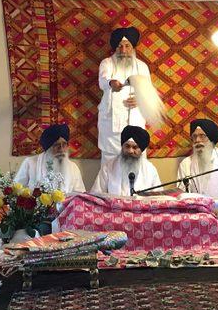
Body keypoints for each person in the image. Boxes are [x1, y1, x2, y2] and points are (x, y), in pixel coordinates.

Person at [97, 27, 152, 165]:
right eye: (120, 46)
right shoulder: (107, 63)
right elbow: (102, 81)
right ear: (115, 48)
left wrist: (140, 100)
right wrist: (111, 83)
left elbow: (148, 91)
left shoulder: (142, 66)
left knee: (136, 159)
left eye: (127, 46)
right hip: (111, 125)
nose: (123, 50)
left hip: (135, 122)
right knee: (110, 162)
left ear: (133, 48)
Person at [14, 124, 85, 195]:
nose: (62, 149)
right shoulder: (30, 163)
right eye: (57, 145)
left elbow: (80, 195)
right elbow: (16, 190)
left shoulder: (73, 167)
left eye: (64, 144)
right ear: (48, 149)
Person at [91, 125, 161, 196]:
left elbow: (158, 198)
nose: (130, 151)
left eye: (135, 147)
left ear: (141, 150)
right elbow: (96, 195)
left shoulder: (150, 169)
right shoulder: (108, 167)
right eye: (127, 146)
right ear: (122, 146)